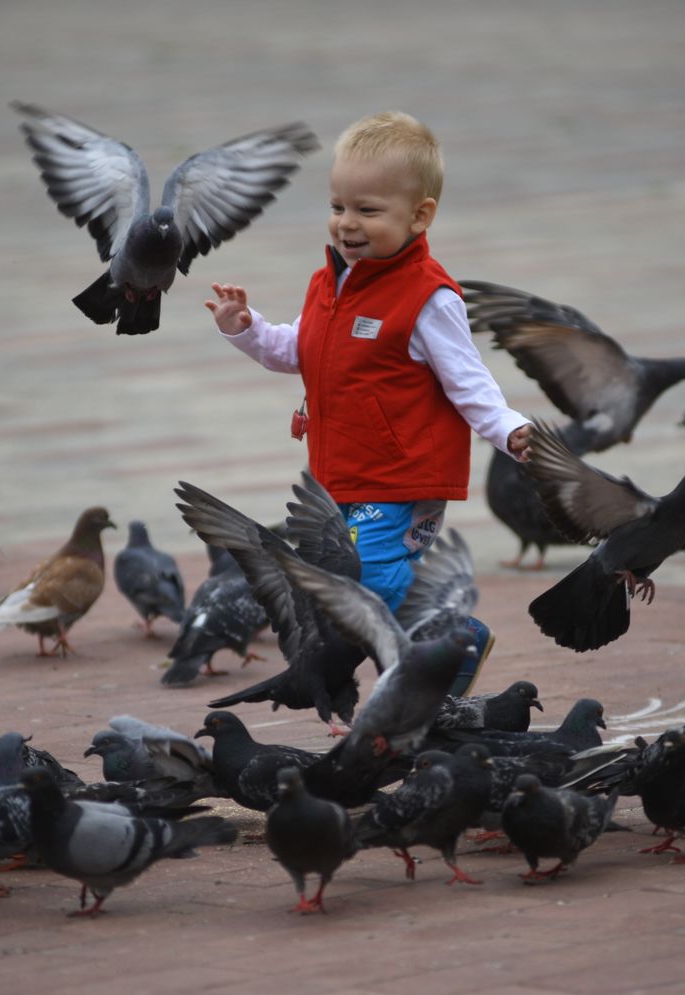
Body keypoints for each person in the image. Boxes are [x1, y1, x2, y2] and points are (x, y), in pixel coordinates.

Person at [206, 110, 532, 696]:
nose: (347, 224)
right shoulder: (331, 281)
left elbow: (469, 382)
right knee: (351, 584)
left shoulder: (428, 298)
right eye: (338, 207)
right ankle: (430, 663)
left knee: (371, 584)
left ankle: (445, 658)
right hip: (342, 476)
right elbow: (297, 349)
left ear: (420, 215)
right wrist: (247, 328)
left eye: (368, 210)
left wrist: (508, 429)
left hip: (401, 479)